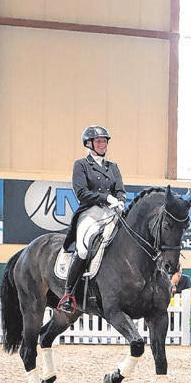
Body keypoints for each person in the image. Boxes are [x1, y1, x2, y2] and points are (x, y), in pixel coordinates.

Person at [58, 125, 126, 314]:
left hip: (112, 212)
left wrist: (120, 200)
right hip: (90, 212)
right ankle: (68, 294)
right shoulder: (81, 165)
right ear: (89, 144)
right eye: (99, 141)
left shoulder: (113, 167)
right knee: (83, 248)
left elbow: (120, 188)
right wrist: (106, 198)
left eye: (104, 141)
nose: (103, 144)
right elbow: (81, 192)